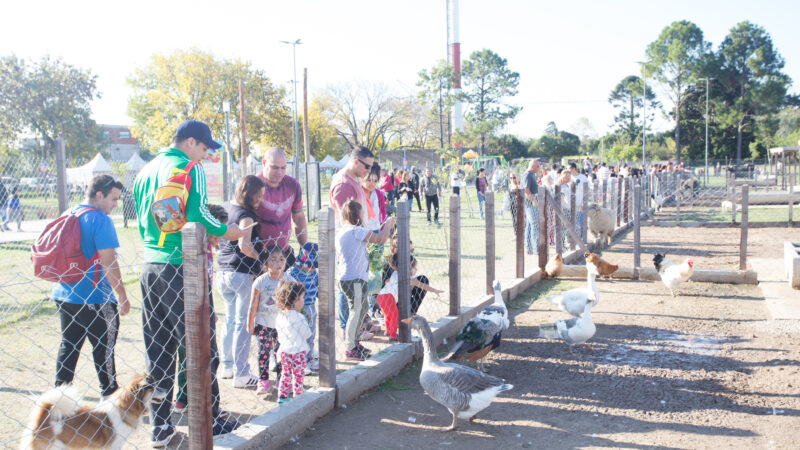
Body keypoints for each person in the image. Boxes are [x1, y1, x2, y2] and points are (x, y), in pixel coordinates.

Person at [133, 119, 243, 446]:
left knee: (159, 350)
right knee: (200, 346)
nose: (207, 155)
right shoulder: (189, 168)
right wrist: (229, 232)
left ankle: (160, 424)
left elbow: (144, 220)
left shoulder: (146, 170)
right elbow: (199, 217)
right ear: (191, 142)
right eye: (206, 148)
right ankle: (210, 416)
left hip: (151, 266)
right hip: (183, 268)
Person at [52, 175, 128, 400]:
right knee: (104, 348)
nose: (116, 204)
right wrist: (122, 295)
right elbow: (109, 262)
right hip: (96, 296)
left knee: (69, 346)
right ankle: (110, 395)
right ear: (99, 195)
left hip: (64, 293)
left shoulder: (68, 213)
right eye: (113, 199)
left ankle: (58, 398)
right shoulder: (100, 220)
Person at [173, 204, 236, 434]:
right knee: (203, 356)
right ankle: (202, 407)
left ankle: (190, 401)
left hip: (203, 307)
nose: (221, 234)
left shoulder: (208, 250)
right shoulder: (195, 249)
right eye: (218, 229)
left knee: (194, 354)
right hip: (193, 309)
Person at [217, 175, 266, 389]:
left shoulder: (225, 207)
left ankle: (227, 366)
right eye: (259, 195)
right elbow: (244, 245)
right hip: (242, 274)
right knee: (243, 323)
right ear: (249, 194)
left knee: (229, 320)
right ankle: (242, 373)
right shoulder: (245, 215)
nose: (261, 200)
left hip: (223, 272)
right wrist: (261, 260)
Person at [336, 200, 395, 360]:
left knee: (359, 311)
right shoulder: (356, 231)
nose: (364, 216)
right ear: (356, 215)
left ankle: (354, 343)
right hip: (355, 279)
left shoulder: (342, 232)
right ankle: (350, 347)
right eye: (362, 213)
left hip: (348, 278)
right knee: (356, 312)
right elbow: (381, 239)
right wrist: (388, 225)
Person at [329, 146, 374, 333]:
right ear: (356, 161)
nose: (369, 171)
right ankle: (346, 327)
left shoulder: (353, 180)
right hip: (348, 244)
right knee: (347, 285)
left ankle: (358, 323)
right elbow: (345, 219)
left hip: (357, 241)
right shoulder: (343, 183)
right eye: (367, 166)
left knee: (356, 285)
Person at [256, 147, 308, 269]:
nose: (279, 172)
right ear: (264, 163)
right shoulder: (253, 185)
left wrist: (304, 246)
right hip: (257, 255)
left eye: (283, 168)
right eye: (274, 167)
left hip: (283, 253)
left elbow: (298, 216)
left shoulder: (292, 185)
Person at [376, 253, 443, 341]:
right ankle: (392, 336)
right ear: (408, 268)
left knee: (388, 316)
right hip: (388, 297)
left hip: (381, 296)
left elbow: (389, 279)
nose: (416, 269)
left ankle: (388, 332)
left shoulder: (396, 272)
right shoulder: (409, 278)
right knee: (394, 316)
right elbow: (422, 285)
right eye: (414, 268)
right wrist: (434, 290)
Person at [247, 245, 286, 395]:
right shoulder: (260, 282)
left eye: (281, 259)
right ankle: (263, 381)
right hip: (263, 323)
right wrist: (249, 324)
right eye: (274, 259)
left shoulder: (288, 280)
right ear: (266, 262)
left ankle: (281, 380)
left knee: (281, 352)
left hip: (282, 326)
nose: (278, 263)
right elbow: (253, 305)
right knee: (263, 352)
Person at [284, 242, 319, 373]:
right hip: (296, 310)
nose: (312, 269)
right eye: (310, 267)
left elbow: (317, 287)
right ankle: (299, 362)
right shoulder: (292, 273)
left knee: (310, 334)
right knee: (298, 336)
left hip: (310, 307)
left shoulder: (314, 273)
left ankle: (308, 359)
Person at [274, 280, 311, 404]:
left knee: (286, 374)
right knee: (298, 376)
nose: (303, 301)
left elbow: (278, 335)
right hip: (298, 352)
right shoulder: (298, 317)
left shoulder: (280, 316)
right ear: (295, 300)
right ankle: (298, 397)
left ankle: (282, 397)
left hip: (284, 351)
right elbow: (307, 334)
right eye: (302, 298)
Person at [522, 159, 540, 255]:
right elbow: (526, 189)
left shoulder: (531, 175)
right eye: (537, 166)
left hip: (532, 203)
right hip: (530, 204)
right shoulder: (527, 175)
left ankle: (529, 248)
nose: (539, 168)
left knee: (529, 226)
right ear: (532, 166)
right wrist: (533, 200)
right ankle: (535, 248)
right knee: (534, 225)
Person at [570, 163, 589, 233]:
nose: (569, 171)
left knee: (580, 221)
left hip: (580, 203)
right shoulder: (569, 178)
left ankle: (581, 237)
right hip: (571, 203)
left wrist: (584, 202)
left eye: (570, 169)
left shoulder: (583, 177)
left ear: (574, 168)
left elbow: (587, 190)